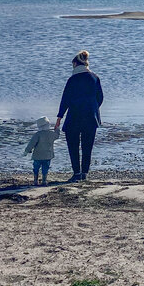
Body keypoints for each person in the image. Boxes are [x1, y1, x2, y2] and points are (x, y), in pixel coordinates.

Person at [55, 50, 104, 182]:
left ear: (75, 64)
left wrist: (59, 117)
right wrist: (92, 108)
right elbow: (100, 98)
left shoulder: (72, 79)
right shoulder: (94, 77)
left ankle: (76, 172)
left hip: (74, 117)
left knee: (73, 145)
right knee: (87, 146)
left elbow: (65, 99)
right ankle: (84, 173)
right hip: (91, 117)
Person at [24, 116, 60, 186]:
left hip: (37, 156)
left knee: (36, 168)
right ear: (48, 125)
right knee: (45, 168)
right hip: (48, 156)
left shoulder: (37, 134)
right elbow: (57, 135)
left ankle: (35, 180)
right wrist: (57, 129)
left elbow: (31, 144)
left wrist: (27, 151)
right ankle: (44, 181)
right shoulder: (51, 134)